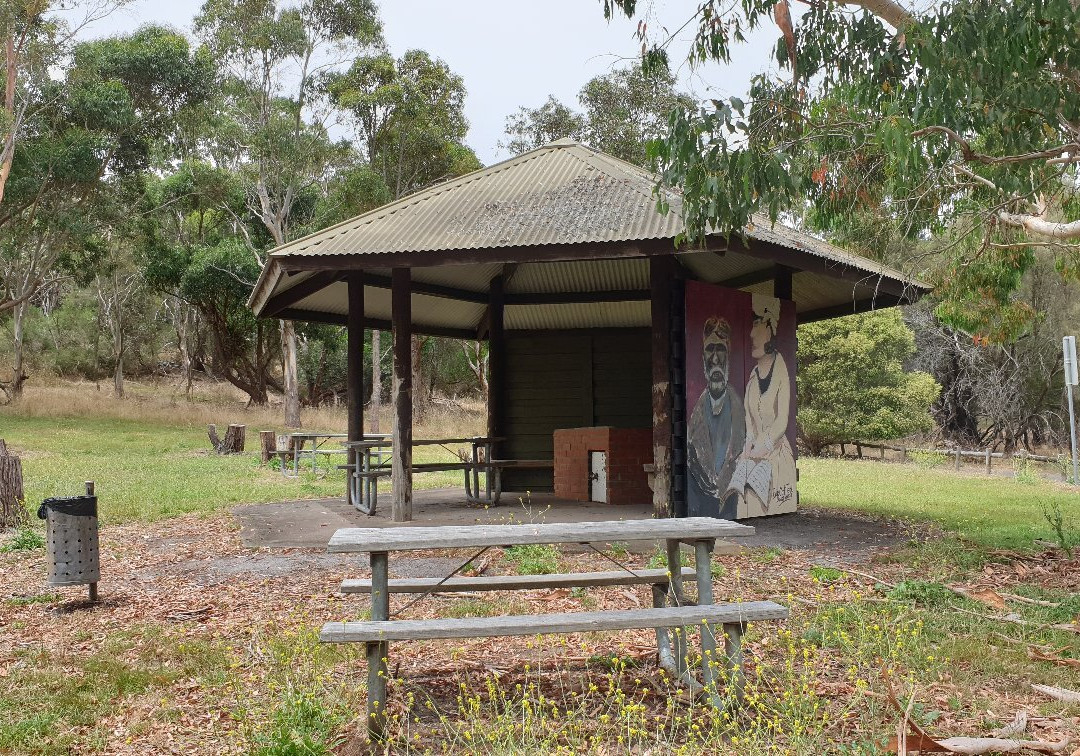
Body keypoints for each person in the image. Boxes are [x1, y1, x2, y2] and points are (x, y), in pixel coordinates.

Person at [728, 295, 797, 517]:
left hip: (775, 455)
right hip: (753, 454)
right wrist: (749, 445)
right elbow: (749, 418)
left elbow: (781, 421)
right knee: (741, 494)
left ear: (769, 328)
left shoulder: (781, 367)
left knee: (765, 498)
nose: (750, 334)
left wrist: (763, 446)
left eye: (756, 325)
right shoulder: (753, 375)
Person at [687, 317, 745, 518]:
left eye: (720, 349)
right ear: (703, 356)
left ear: (728, 353)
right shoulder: (697, 414)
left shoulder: (740, 410)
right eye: (709, 349)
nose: (715, 358)